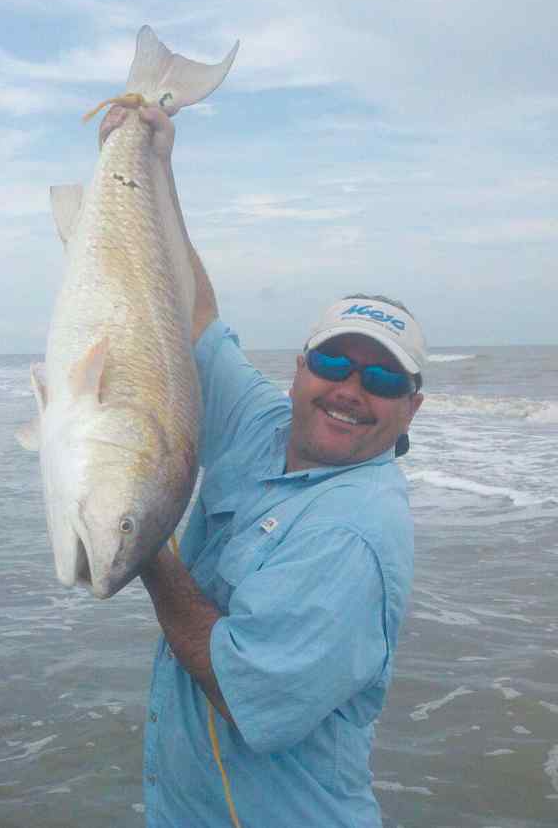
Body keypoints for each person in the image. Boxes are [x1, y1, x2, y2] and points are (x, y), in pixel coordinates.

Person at [135, 105, 426, 828]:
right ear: (299, 371)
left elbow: (237, 685)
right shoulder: (264, 422)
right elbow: (197, 316)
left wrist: (143, 539)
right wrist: (155, 165)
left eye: (383, 380)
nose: (352, 391)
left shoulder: (352, 535)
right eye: (335, 361)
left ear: (410, 409)